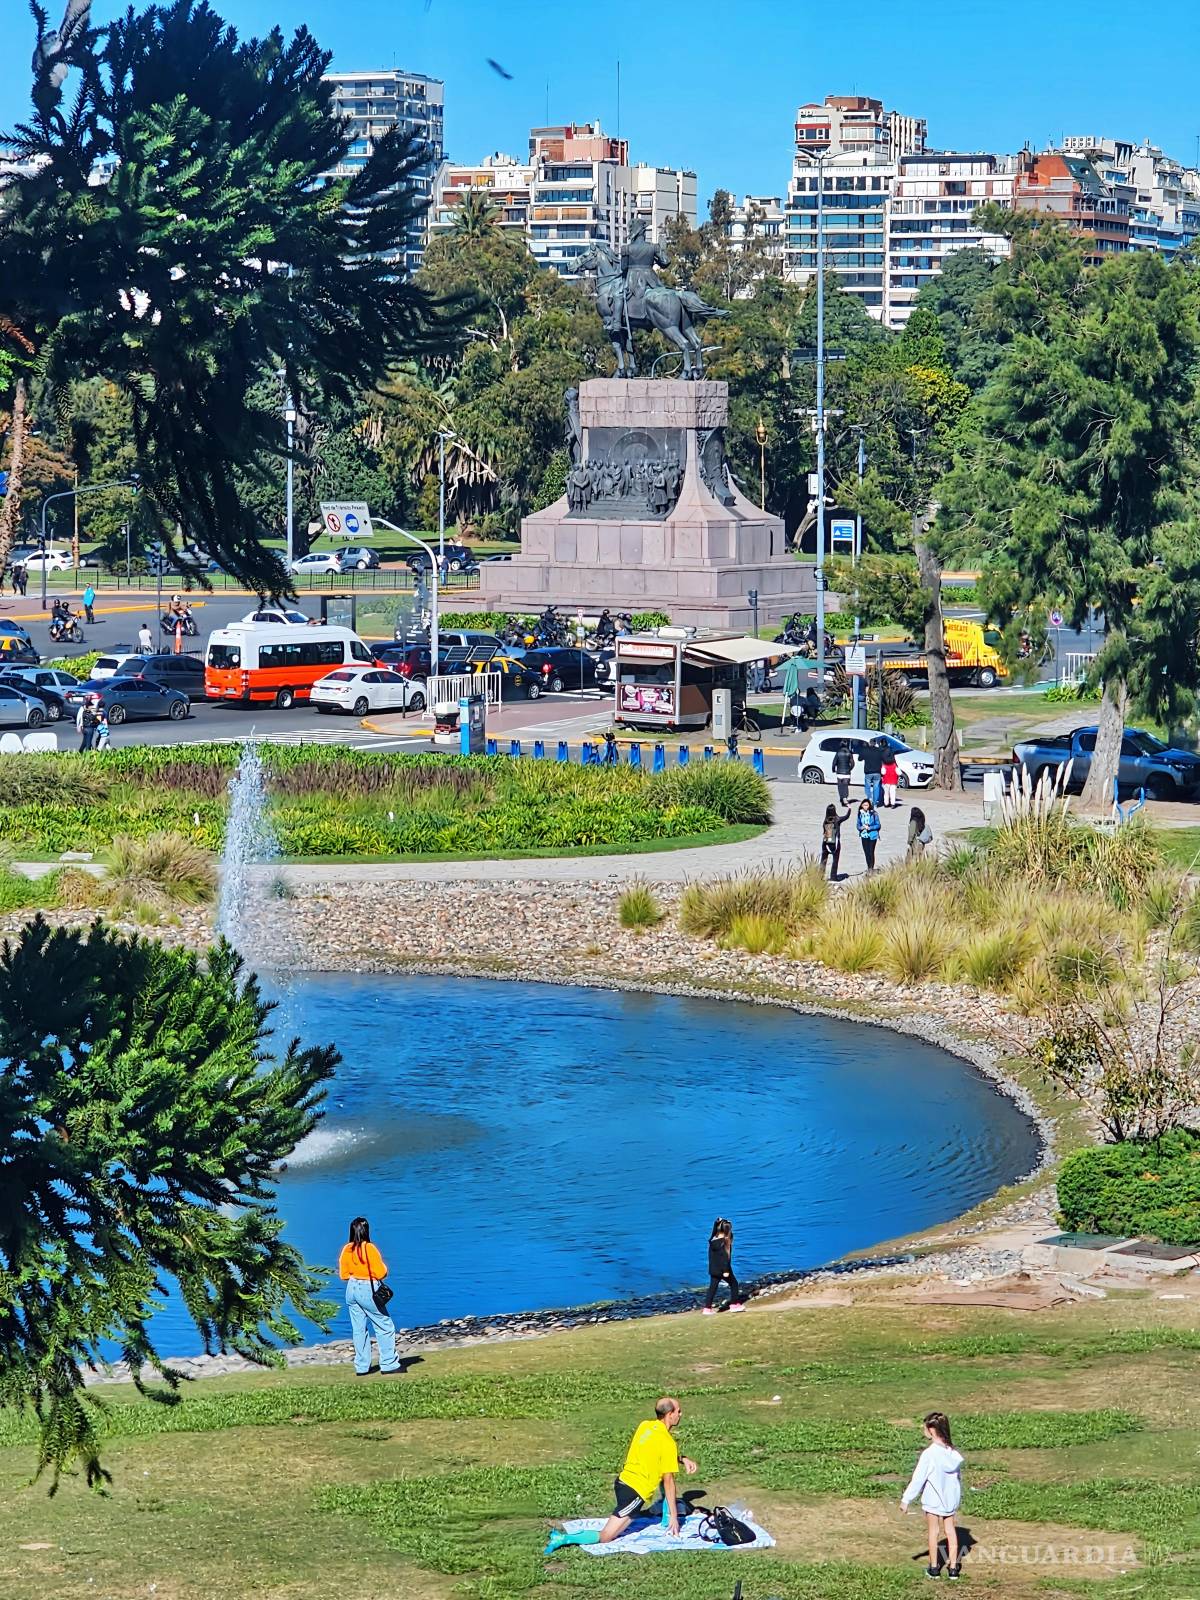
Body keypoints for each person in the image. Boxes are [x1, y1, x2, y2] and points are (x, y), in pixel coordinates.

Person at [544, 1397, 698, 1552]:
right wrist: (674, 1516)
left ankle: (663, 1518)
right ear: (670, 1414)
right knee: (606, 1536)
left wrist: (682, 1459)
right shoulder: (667, 1442)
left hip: (622, 1482)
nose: (681, 1414)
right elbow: (668, 1481)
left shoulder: (645, 1426)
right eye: (678, 1411)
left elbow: (657, 1454)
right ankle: (563, 1538)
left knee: (622, 1519)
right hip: (635, 1492)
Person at [901, 1410, 964, 1580]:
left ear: (931, 1430)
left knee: (933, 1532)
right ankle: (953, 1569)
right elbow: (957, 1479)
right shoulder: (953, 1453)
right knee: (951, 1532)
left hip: (933, 1500)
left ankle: (934, 1568)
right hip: (950, 1500)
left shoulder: (929, 1454)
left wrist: (906, 1499)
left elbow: (918, 1479)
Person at [338, 1216, 403, 1378]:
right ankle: (388, 1364)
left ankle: (362, 1366)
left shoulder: (347, 1249)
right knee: (384, 1325)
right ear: (366, 1230)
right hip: (367, 1289)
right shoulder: (370, 1248)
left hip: (351, 1288)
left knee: (359, 1329)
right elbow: (381, 1272)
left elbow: (343, 1275)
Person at [703, 1217, 743, 1315]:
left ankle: (707, 1308)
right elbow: (725, 1258)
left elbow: (714, 1232)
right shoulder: (725, 1242)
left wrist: (716, 1223)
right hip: (723, 1269)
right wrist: (726, 1271)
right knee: (734, 1284)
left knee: (712, 1288)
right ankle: (734, 1305)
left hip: (713, 1269)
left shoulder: (713, 1239)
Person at [821, 802, 850, 881]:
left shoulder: (825, 820)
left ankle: (819, 876)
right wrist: (849, 808)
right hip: (835, 843)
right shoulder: (837, 819)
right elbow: (846, 817)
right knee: (835, 860)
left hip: (826, 842)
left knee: (823, 860)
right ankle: (833, 876)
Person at [856, 798, 881, 872]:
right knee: (866, 852)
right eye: (864, 805)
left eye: (867, 805)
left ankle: (871, 868)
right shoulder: (860, 814)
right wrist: (861, 827)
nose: (865, 806)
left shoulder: (874, 814)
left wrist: (870, 828)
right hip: (864, 835)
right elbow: (858, 825)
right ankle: (869, 867)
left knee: (871, 851)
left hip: (872, 835)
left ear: (869, 805)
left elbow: (878, 825)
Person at [861, 737, 886, 806]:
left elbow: (860, 758)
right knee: (876, 787)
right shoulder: (879, 751)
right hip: (877, 771)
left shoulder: (866, 750)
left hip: (868, 771)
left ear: (869, 743)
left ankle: (869, 798)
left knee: (867, 786)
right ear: (875, 743)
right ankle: (875, 802)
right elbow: (883, 759)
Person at [831, 739, 854, 804]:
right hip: (847, 772)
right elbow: (852, 763)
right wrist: (849, 769)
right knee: (845, 785)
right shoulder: (849, 752)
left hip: (839, 772)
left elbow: (834, 762)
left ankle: (842, 797)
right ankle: (845, 797)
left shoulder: (838, 752)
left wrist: (833, 769)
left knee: (840, 786)